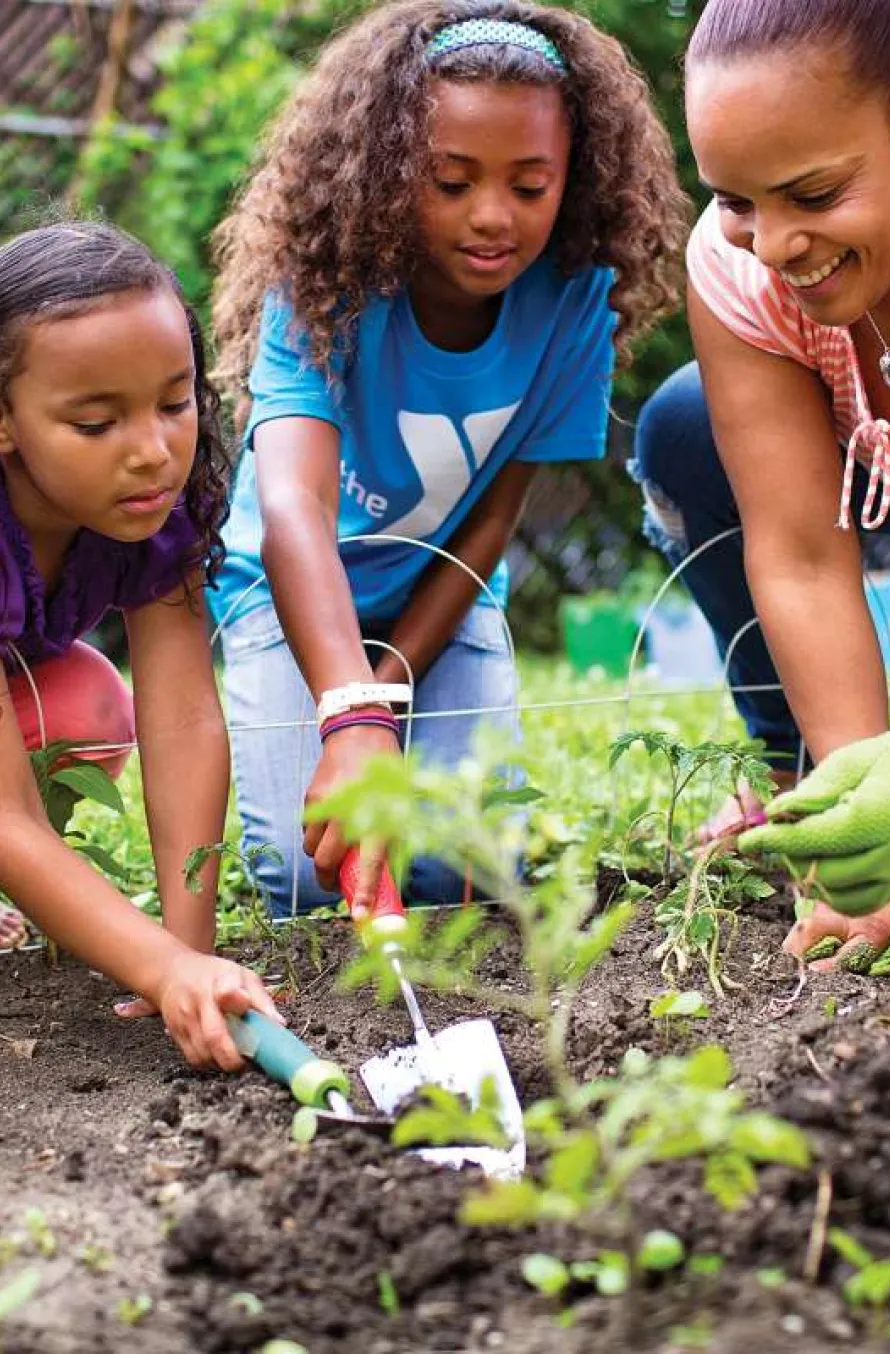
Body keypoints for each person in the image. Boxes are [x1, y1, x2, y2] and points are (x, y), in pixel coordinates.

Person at [211, 0, 690, 917]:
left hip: (443, 597)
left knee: (460, 866)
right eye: (452, 180)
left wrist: (389, 695)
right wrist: (351, 716)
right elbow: (293, 512)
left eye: (529, 184)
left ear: (574, 178)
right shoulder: (326, 290)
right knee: (306, 878)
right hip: (293, 596)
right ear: (391, 174)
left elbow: (492, 521)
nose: (492, 217)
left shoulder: (576, 305)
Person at [631, 0, 890, 967]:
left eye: (816, 194)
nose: (777, 243)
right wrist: (860, 815)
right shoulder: (738, 266)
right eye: (740, 200)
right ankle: (797, 776)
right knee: (682, 425)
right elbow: (797, 556)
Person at [0, 221, 281, 1066]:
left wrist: (188, 957)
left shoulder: (160, 515)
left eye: (174, 402)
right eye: (96, 424)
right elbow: (6, 815)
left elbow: (184, 722)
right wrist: (163, 970)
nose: (154, 452)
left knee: (86, 700)